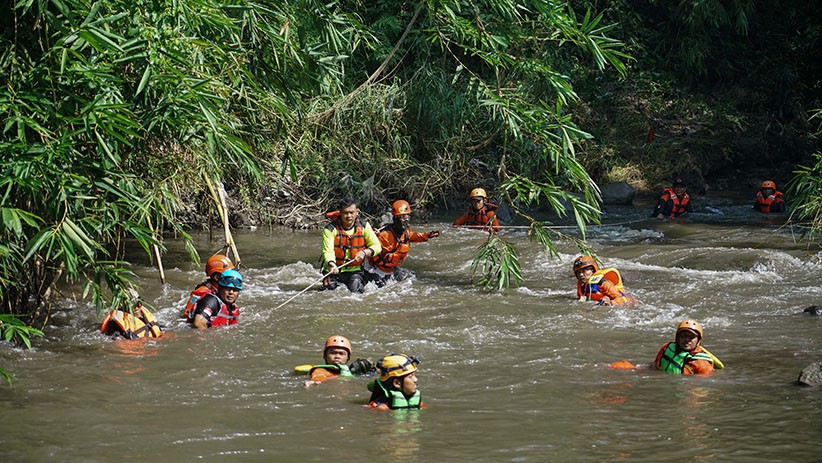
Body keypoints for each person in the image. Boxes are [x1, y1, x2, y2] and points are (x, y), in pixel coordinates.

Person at [365, 200, 440, 287]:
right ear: (394, 219)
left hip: (391, 268)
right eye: (400, 218)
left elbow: (412, 236)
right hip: (377, 270)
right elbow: (371, 251)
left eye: (405, 217)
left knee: (409, 279)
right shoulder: (384, 235)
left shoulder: (406, 232)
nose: (403, 221)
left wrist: (426, 235)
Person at [321, 198, 382, 293]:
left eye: (351, 212)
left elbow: (377, 246)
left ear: (357, 212)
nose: (349, 216)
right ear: (340, 212)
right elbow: (328, 251)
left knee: (356, 292)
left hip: (356, 270)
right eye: (345, 213)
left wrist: (364, 252)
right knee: (329, 293)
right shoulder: (329, 229)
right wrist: (332, 264)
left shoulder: (364, 226)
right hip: (333, 269)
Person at [653, 320, 723, 375]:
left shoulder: (702, 364)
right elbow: (654, 366)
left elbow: (703, 387)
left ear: (698, 340)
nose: (687, 340)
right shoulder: (666, 347)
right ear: (677, 338)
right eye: (683, 336)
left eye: (691, 337)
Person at [304, 335, 376, 387]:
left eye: (341, 354)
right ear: (325, 355)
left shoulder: (351, 370)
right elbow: (319, 376)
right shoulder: (321, 370)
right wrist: (313, 381)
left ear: (348, 357)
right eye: (333, 353)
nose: (337, 356)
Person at [182, 254, 234, 322]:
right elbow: (187, 316)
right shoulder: (202, 292)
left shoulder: (219, 291)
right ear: (217, 277)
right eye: (228, 275)